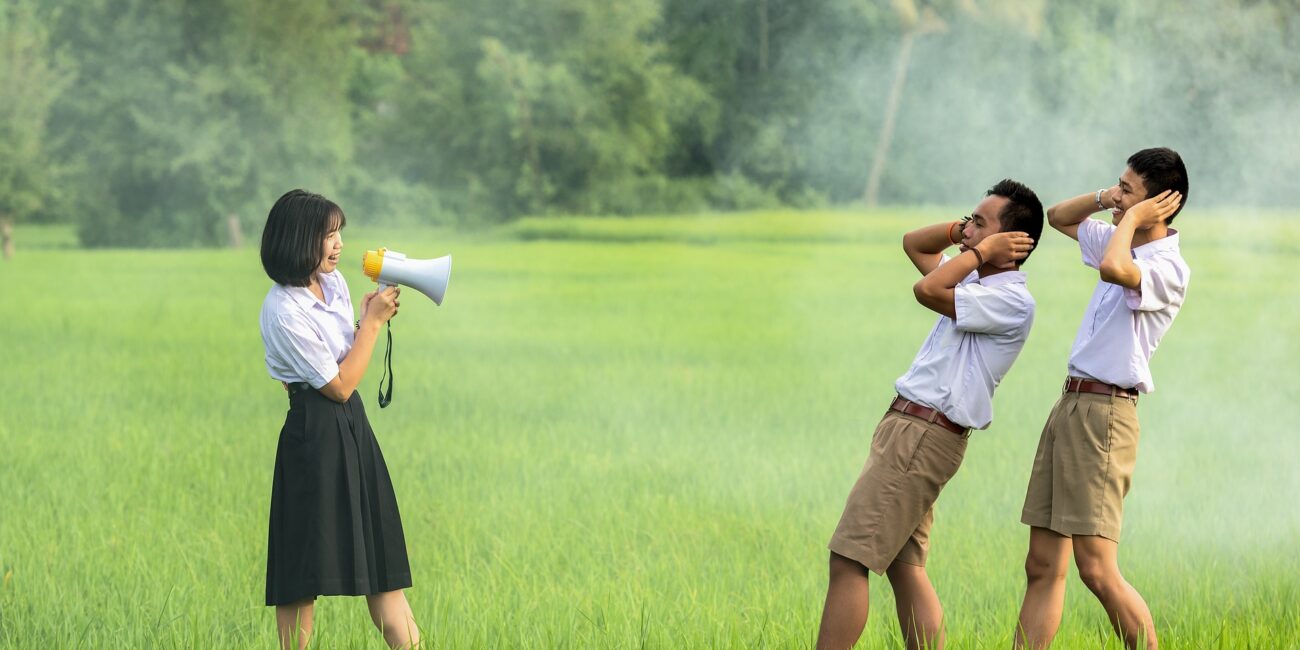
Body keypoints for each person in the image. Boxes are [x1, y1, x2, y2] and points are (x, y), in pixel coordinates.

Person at [816, 179, 1043, 650]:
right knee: (905, 567)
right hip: (913, 429)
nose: (968, 229)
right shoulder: (974, 280)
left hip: (924, 432)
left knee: (849, 559)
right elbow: (913, 244)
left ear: (1013, 243)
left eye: (981, 222)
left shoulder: (1010, 300)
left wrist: (979, 253)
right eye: (969, 219)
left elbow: (926, 287)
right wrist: (967, 232)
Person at [1014, 148, 1190, 650]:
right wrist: (1106, 199)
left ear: (1160, 207)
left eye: (1128, 190)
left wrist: (1131, 218)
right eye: (1118, 186)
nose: (1117, 198)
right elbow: (1057, 217)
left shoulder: (1166, 267)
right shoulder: (1122, 235)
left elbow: (1114, 267)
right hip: (1071, 404)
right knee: (1043, 563)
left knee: (1096, 568)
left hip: (1106, 415)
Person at [258, 189, 420, 649]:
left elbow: (347, 363)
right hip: (313, 434)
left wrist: (368, 318)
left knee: (383, 565)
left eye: (339, 233)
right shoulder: (283, 310)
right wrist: (370, 324)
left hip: (352, 427)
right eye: (329, 234)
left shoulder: (334, 286)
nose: (339, 244)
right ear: (297, 240)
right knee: (300, 570)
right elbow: (340, 384)